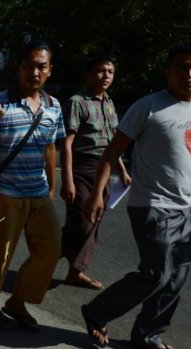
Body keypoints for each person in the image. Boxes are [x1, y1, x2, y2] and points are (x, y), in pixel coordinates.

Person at [81, 42, 191, 349]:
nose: (189, 73)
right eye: (181, 67)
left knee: (177, 277)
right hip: (150, 204)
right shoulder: (149, 106)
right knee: (157, 272)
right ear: (167, 71)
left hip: (186, 207)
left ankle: (147, 334)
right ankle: (97, 311)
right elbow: (113, 151)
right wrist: (99, 193)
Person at [0, 39, 64, 331]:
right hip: (5, 193)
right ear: (18, 68)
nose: (34, 72)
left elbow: (50, 148)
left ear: (50, 70)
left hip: (37, 191)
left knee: (50, 250)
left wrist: (52, 184)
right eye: (28, 65)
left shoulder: (53, 106)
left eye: (41, 66)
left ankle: (18, 301)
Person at [59, 54, 130, 290]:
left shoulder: (108, 103)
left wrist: (121, 169)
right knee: (82, 221)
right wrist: (67, 180)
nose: (106, 76)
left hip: (104, 169)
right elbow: (67, 143)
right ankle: (56, 256)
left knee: (93, 220)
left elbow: (113, 143)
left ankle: (72, 269)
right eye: (100, 71)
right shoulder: (77, 102)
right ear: (88, 74)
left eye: (110, 71)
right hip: (81, 169)